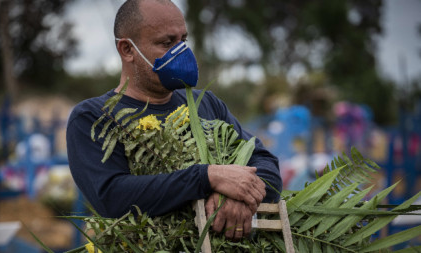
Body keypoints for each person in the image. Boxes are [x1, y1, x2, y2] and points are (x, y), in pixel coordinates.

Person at [66, 0, 282, 241]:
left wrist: (236, 197)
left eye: (183, 40)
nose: (181, 52)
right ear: (127, 49)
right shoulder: (93, 117)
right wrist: (208, 177)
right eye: (167, 43)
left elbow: (265, 163)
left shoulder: (206, 104)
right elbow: (112, 197)